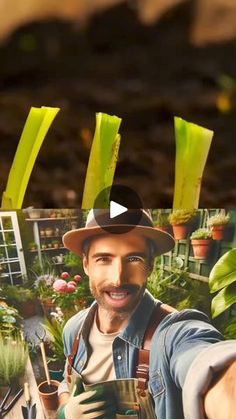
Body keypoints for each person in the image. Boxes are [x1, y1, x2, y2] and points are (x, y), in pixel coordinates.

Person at [57, 209, 236, 419]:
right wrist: (65, 411)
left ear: (150, 265)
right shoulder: (74, 330)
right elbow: (65, 381)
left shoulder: (170, 336)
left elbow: (205, 360)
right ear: (86, 264)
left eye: (134, 258)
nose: (118, 279)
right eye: (104, 259)